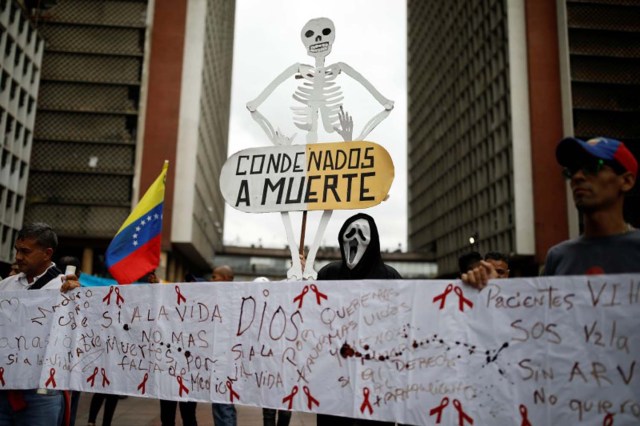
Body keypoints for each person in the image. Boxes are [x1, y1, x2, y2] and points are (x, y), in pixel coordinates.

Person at [463, 136, 639, 288]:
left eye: (593, 167)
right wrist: (493, 290)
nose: (577, 177)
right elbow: (539, 319)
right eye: (572, 170)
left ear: (626, 181)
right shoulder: (559, 257)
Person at [317, 213, 400, 426]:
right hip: (335, 382)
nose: (353, 239)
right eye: (349, 234)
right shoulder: (328, 273)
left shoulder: (390, 277)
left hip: (376, 383)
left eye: (361, 235)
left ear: (372, 242)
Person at [0, 223, 80, 426]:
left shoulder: (66, 288)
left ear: (47, 253)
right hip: (4, 387)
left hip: (41, 392)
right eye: (17, 250)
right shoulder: (5, 286)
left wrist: (80, 299)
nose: (18, 257)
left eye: (25, 251)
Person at [158, 272, 199, 426]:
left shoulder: (203, 315)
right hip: (168, 372)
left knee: (188, 416)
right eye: (185, 283)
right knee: (167, 417)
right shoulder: (170, 310)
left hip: (190, 375)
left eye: (192, 285)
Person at [255, 277, 293, 426]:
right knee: (269, 411)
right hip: (267, 368)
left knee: (285, 410)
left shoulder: (282, 305)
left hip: (286, 366)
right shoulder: (254, 311)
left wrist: (297, 268)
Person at [210, 265, 237, 426]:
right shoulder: (216, 297)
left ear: (225, 279)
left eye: (214, 277)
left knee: (224, 404)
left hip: (226, 362)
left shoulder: (232, 299)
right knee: (219, 404)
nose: (211, 280)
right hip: (218, 360)